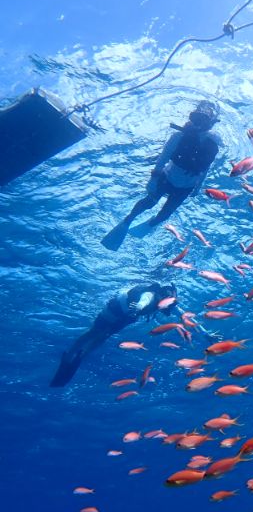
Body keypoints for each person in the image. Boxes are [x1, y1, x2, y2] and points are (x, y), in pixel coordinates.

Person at [101, 100, 222, 250]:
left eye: (203, 121)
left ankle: (150, 224)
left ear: (211, 123)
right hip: (167, 178)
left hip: (186, 187)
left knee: (166, 213)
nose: (199, 124)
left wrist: (198, 187)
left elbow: (205, 167)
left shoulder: (212, 144)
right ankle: (127, 220)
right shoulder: (178, 136)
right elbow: (163, 158)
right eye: (196, 119)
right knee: (150, 202)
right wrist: (154, 178)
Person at [49, 282, 177, 387]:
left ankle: (79, 355)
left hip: (123, 316)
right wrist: (138, 307)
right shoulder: (151, 294)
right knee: (95, 333)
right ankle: (74, 354)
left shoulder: (159, 302)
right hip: (117, 311)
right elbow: (144, 300)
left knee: (101, 335)